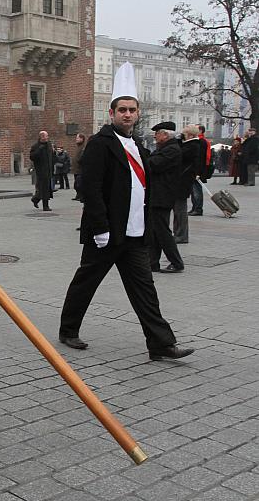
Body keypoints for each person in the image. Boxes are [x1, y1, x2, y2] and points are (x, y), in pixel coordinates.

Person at [57, 62, 194, 361]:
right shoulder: (101, 145)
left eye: (132, 109)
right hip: (107, 233)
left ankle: (160, 343)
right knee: (86, 282)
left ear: (138, 113)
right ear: (112, 113)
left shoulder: (137, 145)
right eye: (122, 110)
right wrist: (100, 228)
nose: (128, 114)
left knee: (145, 290)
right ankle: (68, 330)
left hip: (135, 234)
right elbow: (90, 189)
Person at [146, 122, 184, 273]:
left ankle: (176, 262)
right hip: (158, 194)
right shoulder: (166, 148)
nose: (155, 136)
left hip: (162, 195)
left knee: (162, 231)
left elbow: (153, 164)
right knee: (155, 231)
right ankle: (152, 262)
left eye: (157, 133)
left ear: (165, 135)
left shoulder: (172, 150)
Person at [174, 124, 199, 245]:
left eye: (184, 134)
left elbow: (179, 155)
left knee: (180, 210)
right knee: (178, 209)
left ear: (190, 135)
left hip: (183, 181)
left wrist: (178, 141)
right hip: (182, 180)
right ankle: (178, 233)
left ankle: (181, 235)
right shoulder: (190, 145)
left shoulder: (193, 146)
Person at [188, 125, 211, 216]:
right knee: (194, 189)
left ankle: (198, 208)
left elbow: (201, 158)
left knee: (196, 189)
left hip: (198, 170)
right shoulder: (199, 141)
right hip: (196, 169)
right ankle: (195, 207)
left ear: (200, 131)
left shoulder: (201, 142)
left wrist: (198, 172)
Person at [30, 131, 54, 210]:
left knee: (46, 188)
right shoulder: (36, 146)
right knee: (44, 188)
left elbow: (51, 156)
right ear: (42, 137)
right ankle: (45, 206)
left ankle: (35, 199)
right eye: (46, 136)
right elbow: (32, 157)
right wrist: (39, 150)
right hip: (41, 171)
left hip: (49, 170)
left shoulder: (49, 145)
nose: (47, 137)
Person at [71, 133, 86, 201]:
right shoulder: (78, 146)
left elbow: (82, 157)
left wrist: (79, 161)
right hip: (76, 168)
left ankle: (81, 196)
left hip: (80, 169)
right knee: (76, 184)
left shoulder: (83, 147)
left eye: (78, 138)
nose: (76, 139)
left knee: (79, 184)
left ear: (82, 139)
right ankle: (78, 195)